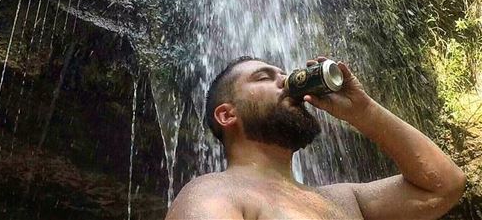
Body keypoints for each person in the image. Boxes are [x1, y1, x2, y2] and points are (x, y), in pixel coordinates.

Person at [165, 55, 466, 220]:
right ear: (227, 115)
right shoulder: (212, 193)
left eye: (283, 74)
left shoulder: (347, 199)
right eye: (263, 77)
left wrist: (363, 111)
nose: (285, 80)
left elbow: (443, 186)